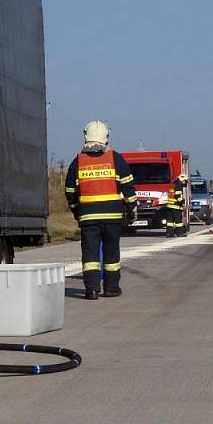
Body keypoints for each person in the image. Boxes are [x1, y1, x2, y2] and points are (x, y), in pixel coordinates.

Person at [65, 120, 137, 300]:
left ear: (85, 137)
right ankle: (111, 288)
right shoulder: (116, 159)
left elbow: (70, 192)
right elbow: (128, 187)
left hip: (88, 218)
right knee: (112, 253)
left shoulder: (78, 162)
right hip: (112, 217)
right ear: (106, 138)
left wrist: (76, 211)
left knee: (90, 254)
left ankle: (92, 290)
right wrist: (131, 209)